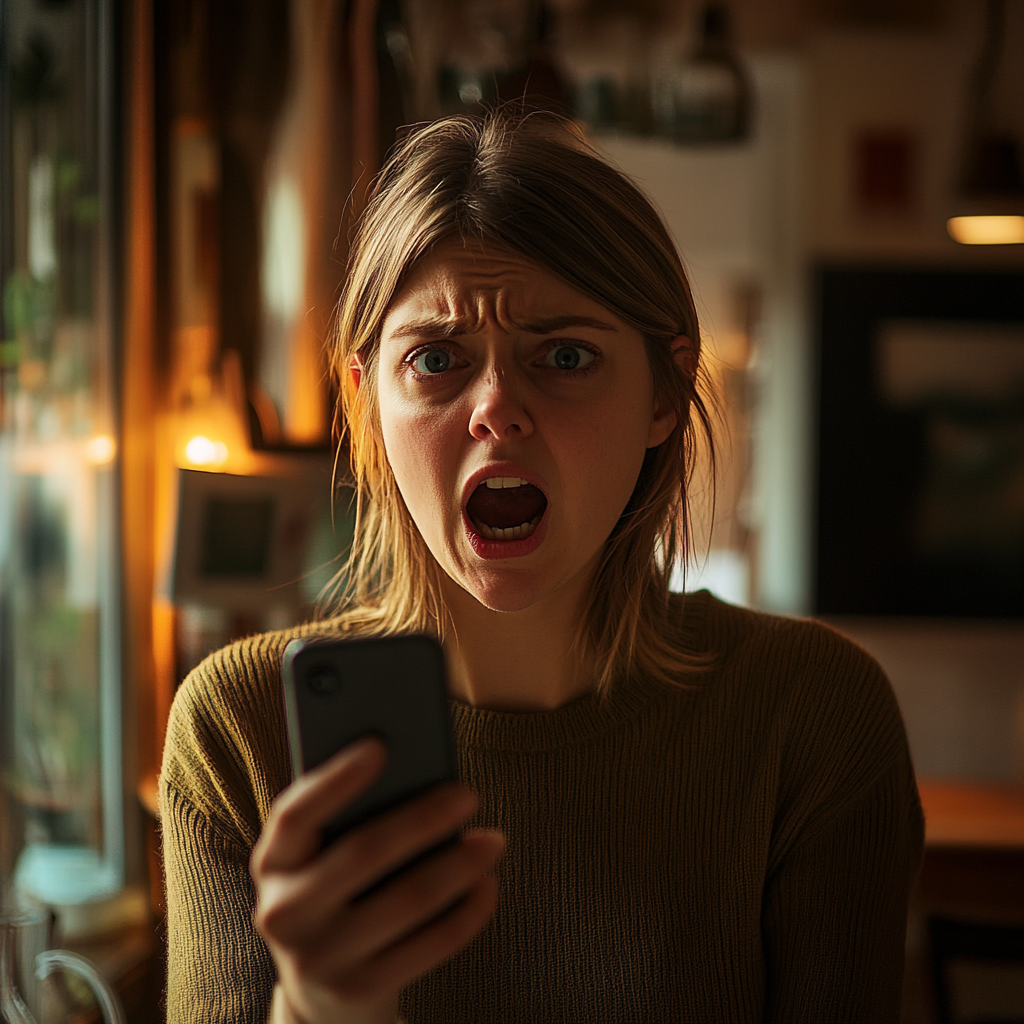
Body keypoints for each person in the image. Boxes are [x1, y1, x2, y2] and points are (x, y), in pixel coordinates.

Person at [160, 110, 924, 1024]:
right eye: (436, 359)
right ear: (365, 402)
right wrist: (320, 1007)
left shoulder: (814, 716)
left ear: (666, 394)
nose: (496, 410)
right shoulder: (241, 731)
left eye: (565, 356)